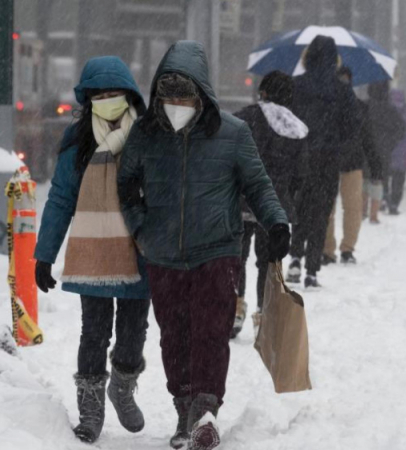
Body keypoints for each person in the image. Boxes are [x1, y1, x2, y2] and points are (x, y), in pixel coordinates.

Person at [117, 41, 289, 450]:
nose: (176, 103)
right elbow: (126, 186)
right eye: (169, 95)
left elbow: (258, 184)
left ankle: (205, 412)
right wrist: (140, 229)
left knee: (211, 334)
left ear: (201, 94)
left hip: (217, 252)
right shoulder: (146, 135)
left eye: (184, 95)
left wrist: (276, 222)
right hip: (162, 253)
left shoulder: (233, 133)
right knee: (173, 337)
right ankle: (183, 409)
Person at [34, 57, 151, 445]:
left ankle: (122, 384)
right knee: (94, 333)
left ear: (129, 95)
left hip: (139, 250)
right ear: (88, 100)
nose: (107, 101)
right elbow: (61, 199)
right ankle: (90, 409)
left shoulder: (150, 137)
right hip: (93, 252)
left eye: (113, 94)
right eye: (99, 96)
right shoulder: (78, 143)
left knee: (133, 333)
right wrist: (44, 254)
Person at [232, 70, 308, 336]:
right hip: (275, 208)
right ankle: (265, 317)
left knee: (236, 259)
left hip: (241, 203)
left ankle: (235, 309)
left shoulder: (242, 118)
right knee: (269, 263)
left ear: (262, 92)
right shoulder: (296, 128)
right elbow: (300, 175)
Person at [287, 35, 361, 288]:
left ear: (308, 57)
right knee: (321, 211)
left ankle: (295, 256)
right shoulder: (342, 90)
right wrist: (337, 144)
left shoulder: (295, 86)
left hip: (299, 158)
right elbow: (352, 127)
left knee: (299, 206)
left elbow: (284, 121)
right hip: (328, 159)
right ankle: (311, 270)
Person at [322, 66, 382, 265]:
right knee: (350, 208)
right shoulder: (358, 107)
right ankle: (345, 249)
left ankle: (329, 250)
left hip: (332, 161)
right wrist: (375, 165)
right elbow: (368, 138)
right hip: (350, 161)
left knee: (330, 208)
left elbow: (367, 138)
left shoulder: (325, 105)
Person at [365, 80, 405, 224]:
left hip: (365, 149)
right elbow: (402, 128)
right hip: (383, 150)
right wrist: (390, 142)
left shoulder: (364, 107)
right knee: (379, 180)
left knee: (364, 179)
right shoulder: (390, 110)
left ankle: (363, 208)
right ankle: (376, 209)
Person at [386, 89, 406, 215]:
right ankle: (394, 203)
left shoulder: (387, 109)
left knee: (384, 177)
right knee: (399, 180)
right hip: (403, 151)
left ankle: (383, 199)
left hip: (388, 150)